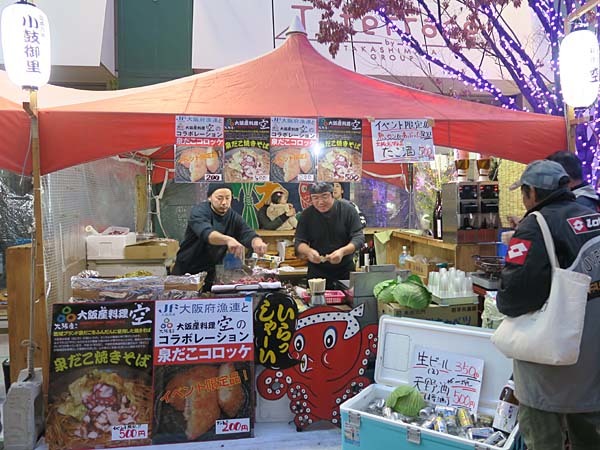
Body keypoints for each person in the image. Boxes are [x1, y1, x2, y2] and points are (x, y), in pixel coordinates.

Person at [497, 160, 600, 450]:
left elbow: (515, 296)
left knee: (543, 438)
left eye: (523, 193)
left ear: (531, 192)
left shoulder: (534, 226)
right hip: (591, 355)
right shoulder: (592, 217)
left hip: (549, 361)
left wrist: (503, 297)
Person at [172, 183, 268, 290]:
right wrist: (227, 239)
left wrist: (257, 242)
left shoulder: (232, 216)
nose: (224, 202)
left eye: (228, 198)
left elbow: (246, 232)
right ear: (209, 197)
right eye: (219, 198)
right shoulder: (199, 211)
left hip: (210, 270)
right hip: (187, 269)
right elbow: (207, 234)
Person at [295, 182, 365, 289]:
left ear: (332, 195)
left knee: (347, 298)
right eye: (315, 198)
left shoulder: (348, 210)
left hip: (344, 270)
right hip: (316, 272)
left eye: (324, 196)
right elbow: (299, 241)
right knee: (317, 299)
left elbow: (359, 238)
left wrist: (342, 252)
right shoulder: (307, 215)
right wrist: (308, 251)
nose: (320, 202)